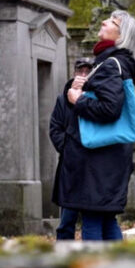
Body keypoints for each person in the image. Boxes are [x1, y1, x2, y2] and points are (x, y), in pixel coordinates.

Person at [54, 10, 135, 241]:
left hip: (97, 161)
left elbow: (109, 109)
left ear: (120, 35)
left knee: (93, 221)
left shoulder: (110, 65)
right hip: (107, 157)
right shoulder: (116, 64)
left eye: (112, 22)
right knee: (105, 219)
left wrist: (77, 99)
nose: (104, 22)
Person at [49, 57, 94, 240]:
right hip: (71, 167)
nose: (83, 75)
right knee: (67, 219)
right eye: (80, 71)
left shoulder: (97, 97)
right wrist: (68, 149)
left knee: (93, 220)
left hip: (93, 166)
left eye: (87, 72)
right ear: (74, 73)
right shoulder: (63, 100)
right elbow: (55, 128)